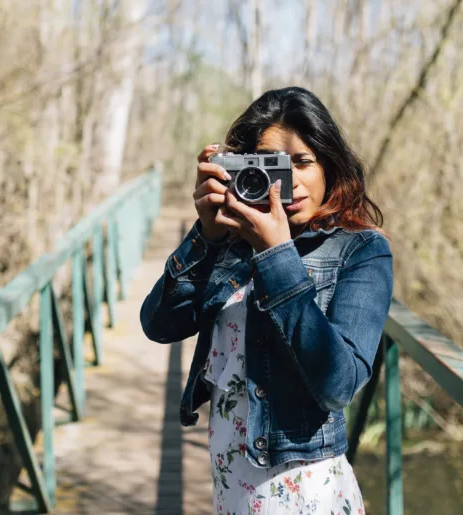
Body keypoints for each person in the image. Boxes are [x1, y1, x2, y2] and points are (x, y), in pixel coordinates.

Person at [140, 86, 393, 515]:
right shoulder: (230, 240)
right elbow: (158, 324)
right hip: (230, 484)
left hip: (306, 492)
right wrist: (206, 234)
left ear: (330, 165)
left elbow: (338, 384)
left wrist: (276, 255)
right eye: (273, 166)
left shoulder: (361, 250)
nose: (288, 182)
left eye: (303, 162)